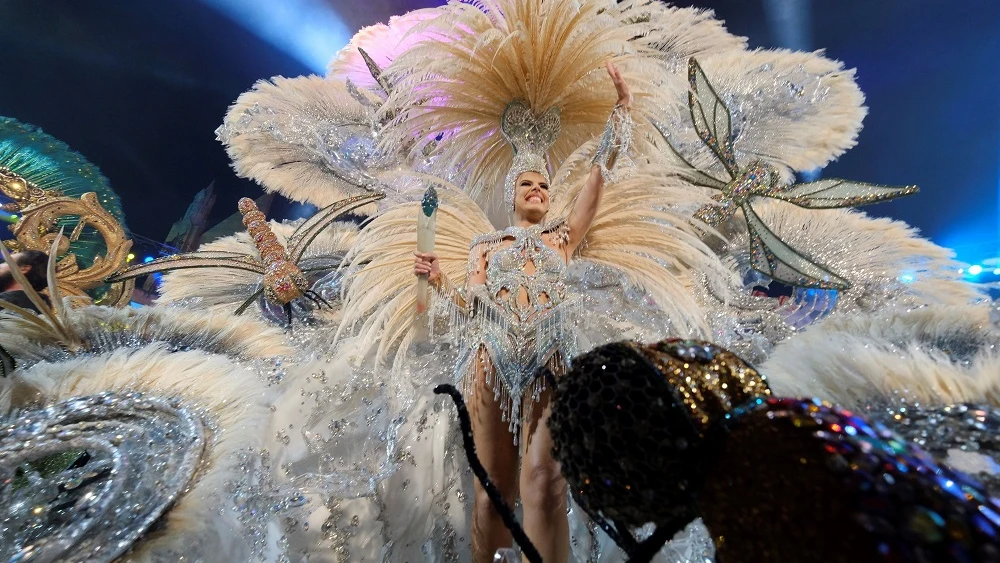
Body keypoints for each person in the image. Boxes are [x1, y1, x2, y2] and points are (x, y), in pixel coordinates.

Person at [413, 63, 632, 563]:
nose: (538, 190)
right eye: (528, 184)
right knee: (491, 495)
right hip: (490, 362)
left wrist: (621, 112)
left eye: (545, 187)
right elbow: (470, 305)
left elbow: (597, 182)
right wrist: (440, 278)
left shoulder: (562, 238)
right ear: (512, 193)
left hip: (552, 363)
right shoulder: (484, 246)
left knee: (544, 484)